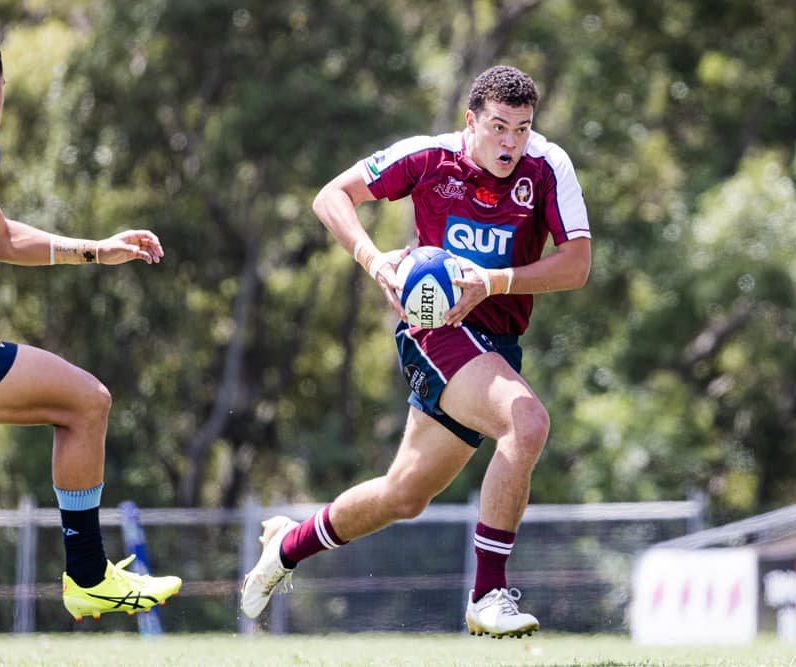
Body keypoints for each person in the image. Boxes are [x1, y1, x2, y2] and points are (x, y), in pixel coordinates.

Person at [241, 65, 591, 638]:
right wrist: (374, 260)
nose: (510, 142)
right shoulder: (430, 158)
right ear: (471, 120)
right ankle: (487, 594)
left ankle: (287, 544)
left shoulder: (548, 166)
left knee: (404, 494)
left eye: (522, 129)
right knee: (525, 421)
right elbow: (332, 196)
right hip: (432, 330)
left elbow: (577, 264)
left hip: (495, 341)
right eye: (499, 127)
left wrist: (492, 281)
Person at [0, 28, 182, 621]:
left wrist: (95, 250)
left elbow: (0, 237)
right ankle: (89, 575)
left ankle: (89, 575)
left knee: (81, 400)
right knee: (84, 401)